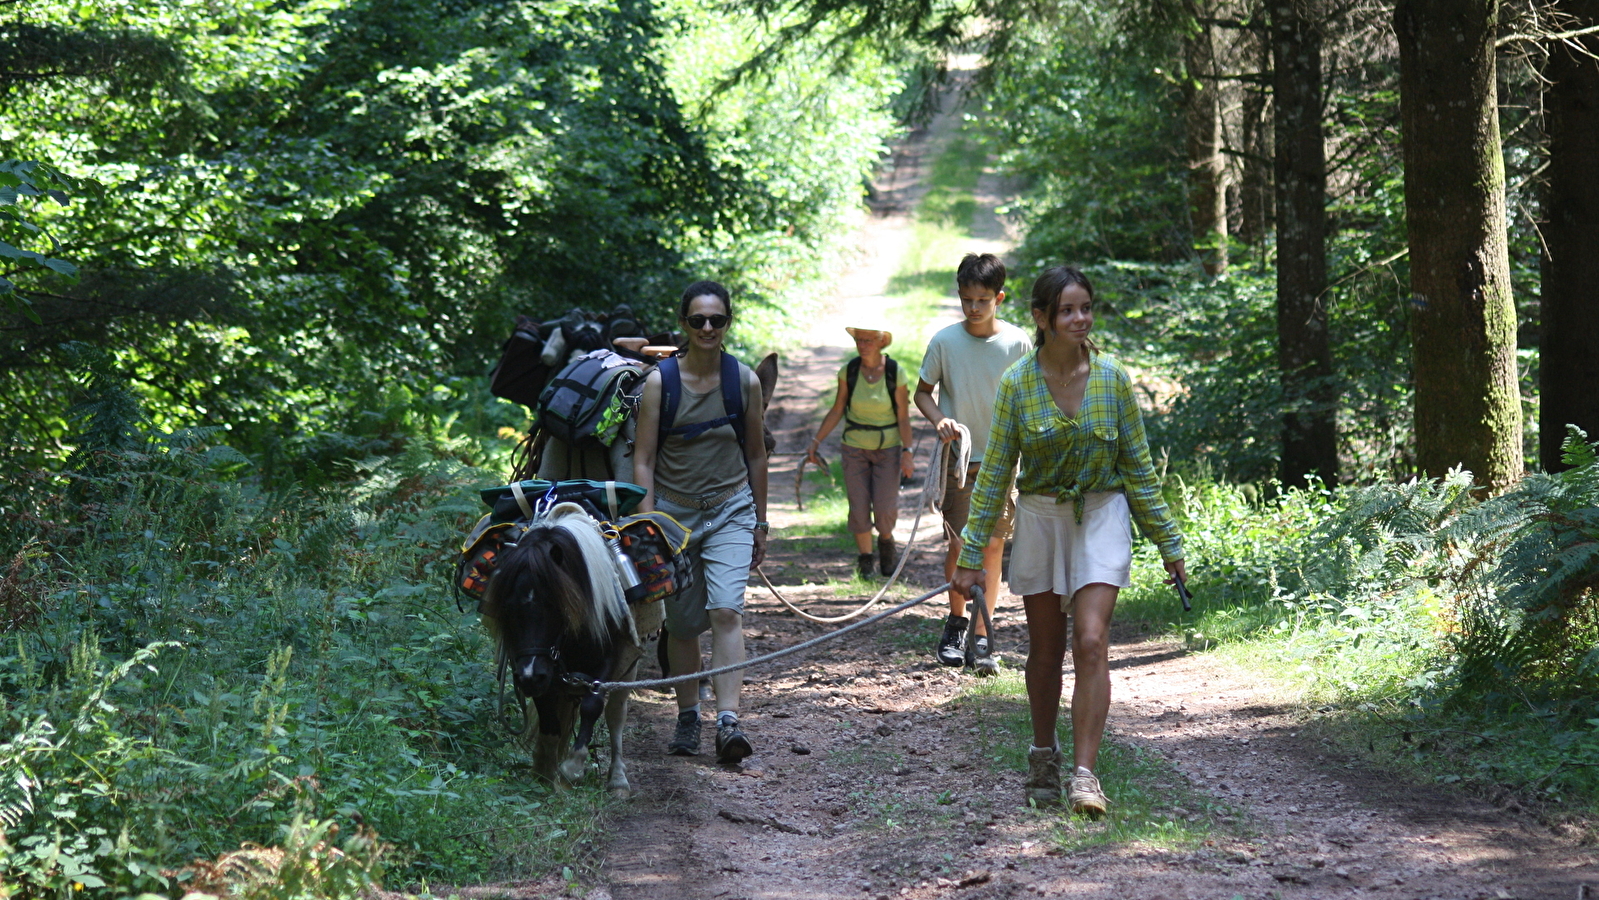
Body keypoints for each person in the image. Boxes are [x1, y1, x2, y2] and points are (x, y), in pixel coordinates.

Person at [952, 265, 1186, 815]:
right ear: (1041, 318)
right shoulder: (1017, 385)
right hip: (1039, 517)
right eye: (1067, 310)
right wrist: (969, 557)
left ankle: (1085, 775)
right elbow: (995, 477)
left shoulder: (1112, 380)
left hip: (1102, 515)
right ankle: (1043, 753)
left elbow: (1140, 471)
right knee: (1047, 650)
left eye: (1085, 308)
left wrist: (1168, 543)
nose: (1079, 319)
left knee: (1091, 640)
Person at [633, 280, 770, 764]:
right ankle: (689, 713)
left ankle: (729, 720)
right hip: (674, 517)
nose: (707, 328)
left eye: (716, 319)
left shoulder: (744, 381)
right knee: (684, 625)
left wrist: (760, 521)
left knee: (727, 611)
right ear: (684, 325)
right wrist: (649, 526)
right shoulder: (660, 383)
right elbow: (644, 459)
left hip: (730, 509)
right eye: (698, 320)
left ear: (727, 322)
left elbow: (756, 454)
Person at [914, 253, 1031, 667]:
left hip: (1002, 462)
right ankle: (955, 621)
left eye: (982, 300)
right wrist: (940, 419)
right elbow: (922, 392)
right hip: (959, 460)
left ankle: (982, 636)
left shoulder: (1018, 343)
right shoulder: (945, 341)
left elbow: (1030, 397)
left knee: (995, 545)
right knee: (961, 544)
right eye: (966, 300)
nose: (974, 308)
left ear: (999, 297)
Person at [806, 323, 915, 578]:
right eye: (859, 340)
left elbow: (903, 416)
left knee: (885, 507)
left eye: (868, 340)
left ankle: (886, 543)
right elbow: (837, 409)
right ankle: (865, 560)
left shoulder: (894, 372)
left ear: (880, 342)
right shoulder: (849, 371)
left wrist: (907, 451)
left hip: (888, 447)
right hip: (854, 447)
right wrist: (816, 441)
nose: (862, 345)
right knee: (858, 506)